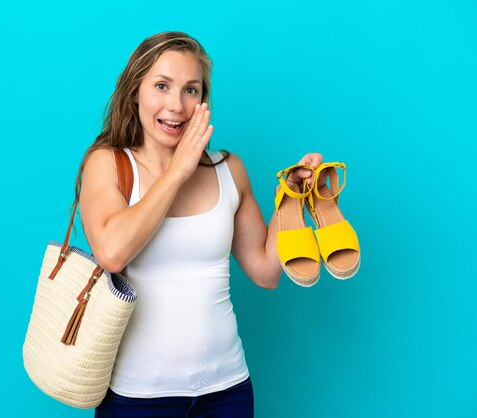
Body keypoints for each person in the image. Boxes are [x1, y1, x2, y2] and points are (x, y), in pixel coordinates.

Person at [77, 31, 323, 418]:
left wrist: (291, 198)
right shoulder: (108, 164)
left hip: (229, 392)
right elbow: (111, 253)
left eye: (191, 90)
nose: (176, 105)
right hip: (137, 398)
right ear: (135, 92)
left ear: (202, 101)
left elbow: (265, 272)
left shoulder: (229, 169)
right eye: (162, 85)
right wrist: (178, 171)